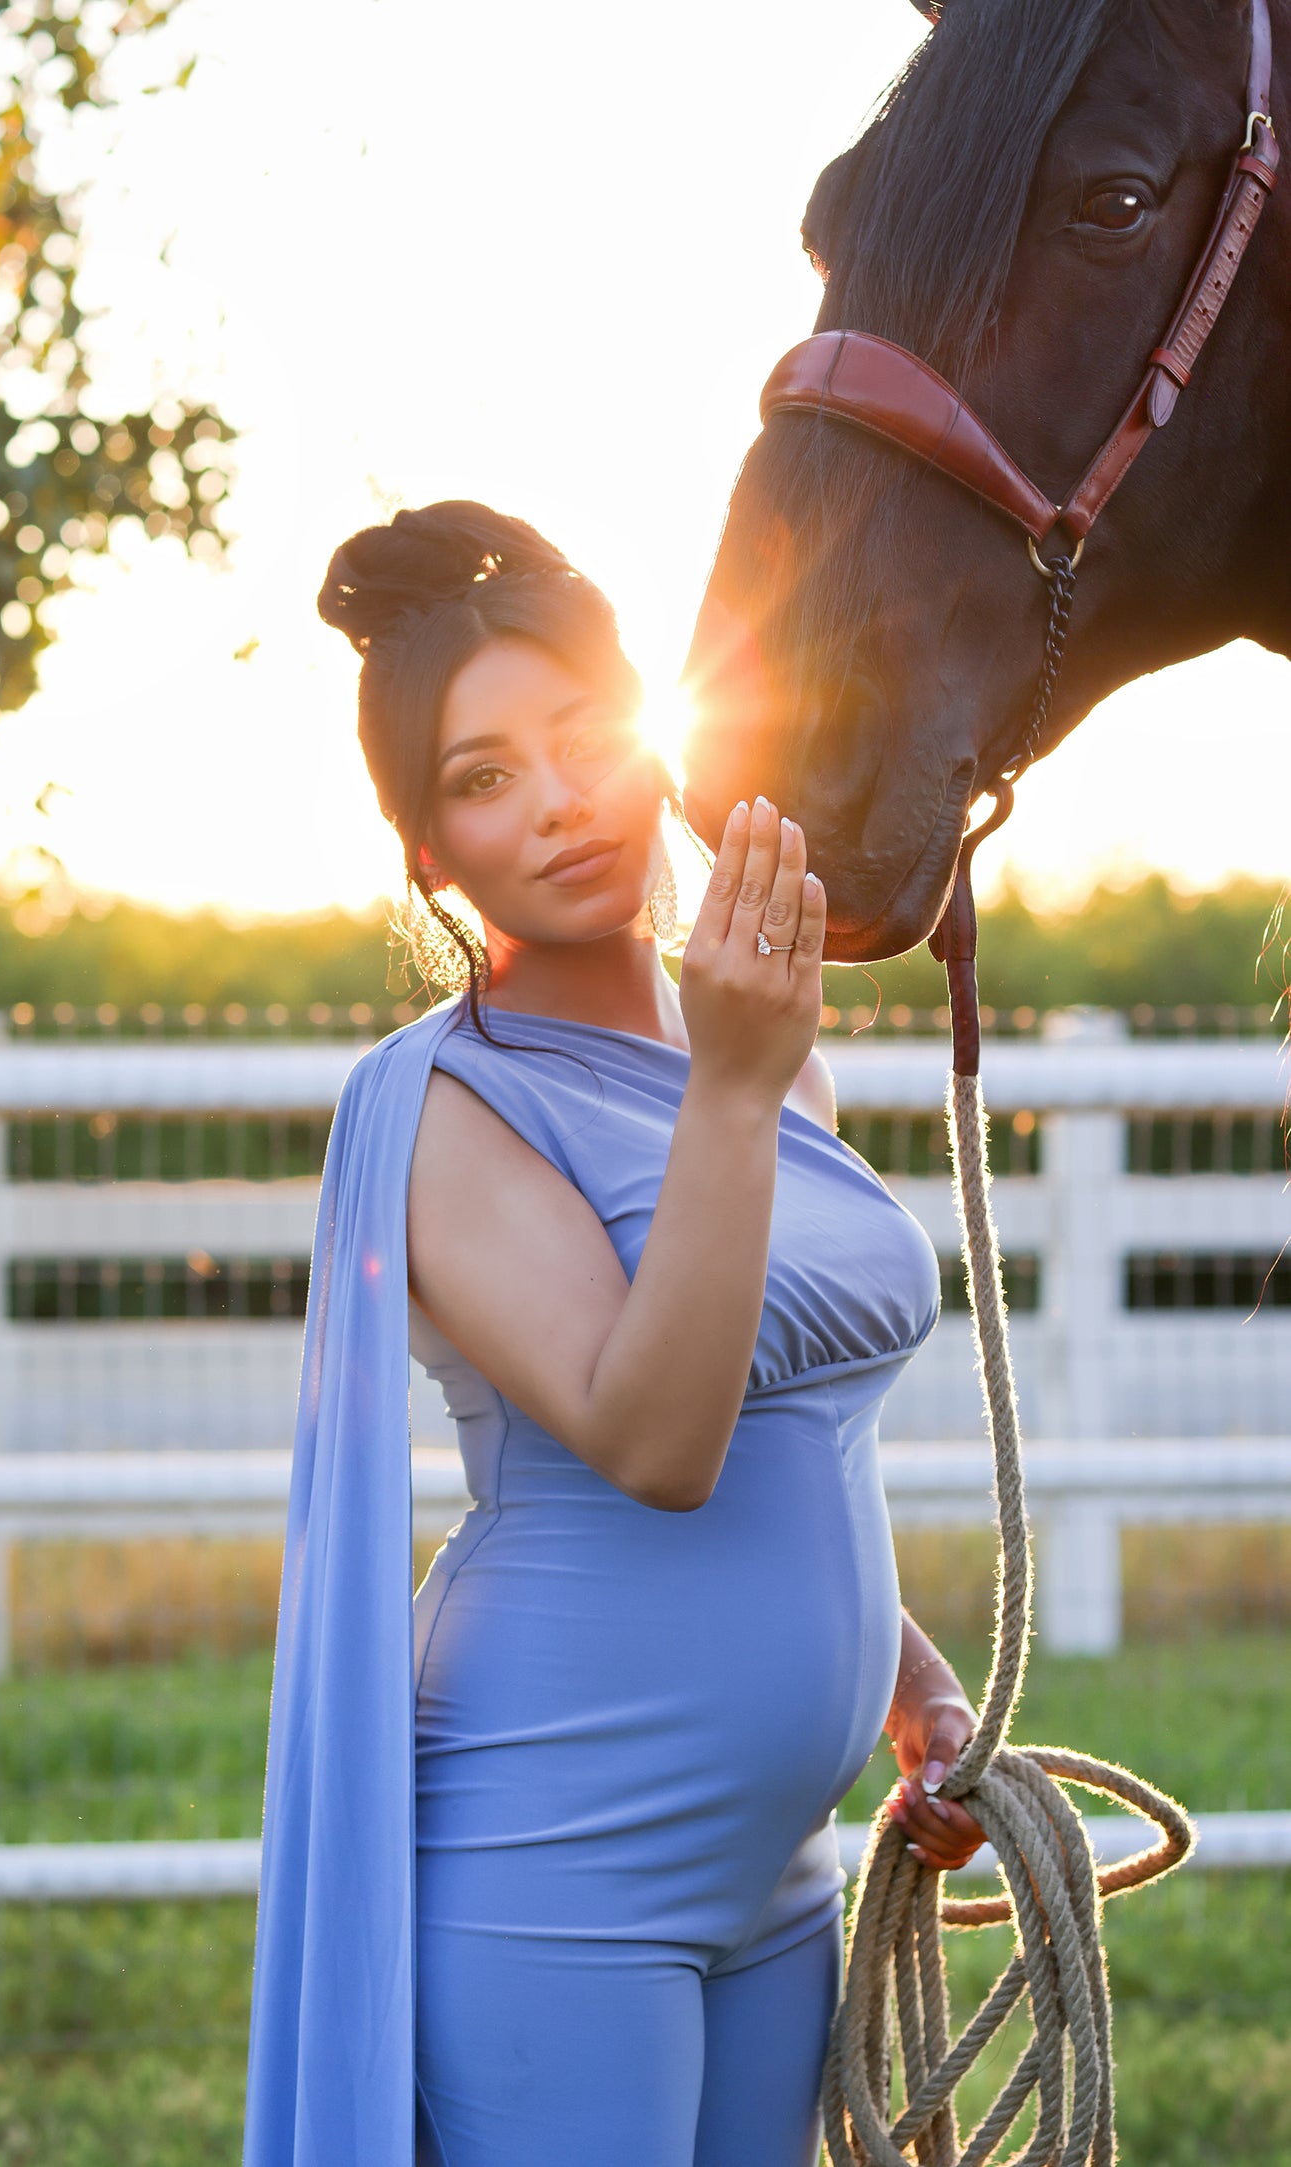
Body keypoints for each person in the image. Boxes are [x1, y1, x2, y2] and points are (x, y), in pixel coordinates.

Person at [242, 501, 986, 2167]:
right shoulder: (448, 1110)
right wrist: (728, 1081)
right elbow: (652, 1445)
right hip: (555, 1855)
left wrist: (904, 1678)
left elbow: (783, 1428)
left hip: (780, 1873)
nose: (559, 801)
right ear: (426, 848)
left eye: (584, 737)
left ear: (656, 735)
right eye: (480, 775)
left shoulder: (767, 1055)